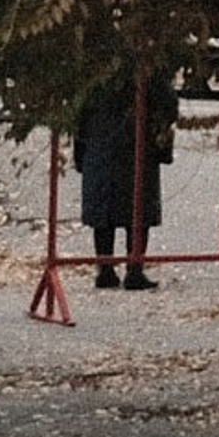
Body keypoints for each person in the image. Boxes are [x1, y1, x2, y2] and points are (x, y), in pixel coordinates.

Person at [74, 70, 171, 291]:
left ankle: (105, 269)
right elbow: (167, 104)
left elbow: (80, 115)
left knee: (103, 211)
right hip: (137, 145)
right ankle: (134, 270)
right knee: (138, 210)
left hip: (99, 147)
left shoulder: (96, 70)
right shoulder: (146, 66)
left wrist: (80, 155)